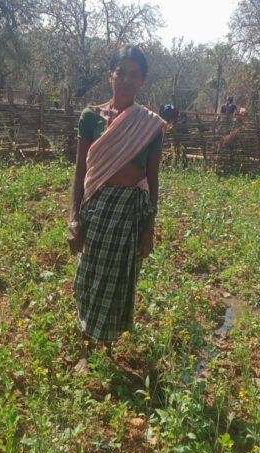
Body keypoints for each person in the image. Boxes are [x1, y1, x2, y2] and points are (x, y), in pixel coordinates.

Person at [67, 45, 166, 373]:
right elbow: (80, 172)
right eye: (120, 71)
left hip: (129, 213)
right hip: (96, 209)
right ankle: (85, 349)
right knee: (90, 277)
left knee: (118, 281)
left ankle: (104, 347)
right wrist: (73, 220)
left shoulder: (149, 125)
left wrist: (149, 228)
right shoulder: (90, 118)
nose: (125, 79)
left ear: (142, 81)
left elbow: (152, 179)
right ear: (110, 75)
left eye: (133, 73)